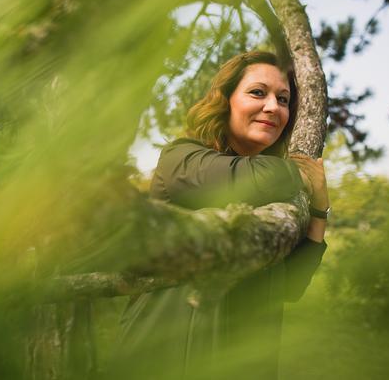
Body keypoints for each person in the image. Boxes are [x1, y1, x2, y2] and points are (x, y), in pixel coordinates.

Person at [115, 51, 329, 379]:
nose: (273, 107)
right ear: (225, 100)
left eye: (283, 99)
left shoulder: (278, 195)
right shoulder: (181, 159)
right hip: (164, 357)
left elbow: (292, 286)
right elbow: (246, 179)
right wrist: (300, 175)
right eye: (258, 92)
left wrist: (318, 209)